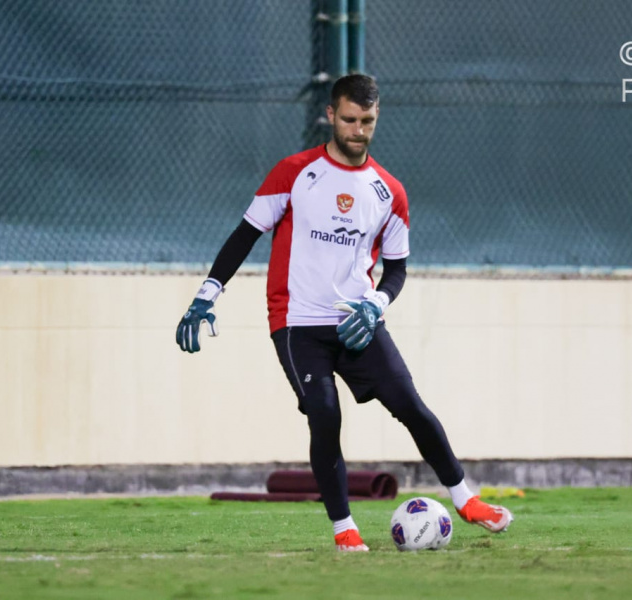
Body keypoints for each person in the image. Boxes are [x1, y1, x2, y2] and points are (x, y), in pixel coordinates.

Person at [176, 74, 513, 552]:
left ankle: (466, 499)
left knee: (412, 406)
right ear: (331, 115)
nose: (358, 130)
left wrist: (376, 303)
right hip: (297, 323)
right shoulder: (292, 172)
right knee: (325, 414)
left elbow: (395, 269)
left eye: (367, 121)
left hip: (358, 321)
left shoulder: (389, 191)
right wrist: (209, 292)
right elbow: (245, 234)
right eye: (350, 119)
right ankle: (344, 529)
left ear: (377, 118)